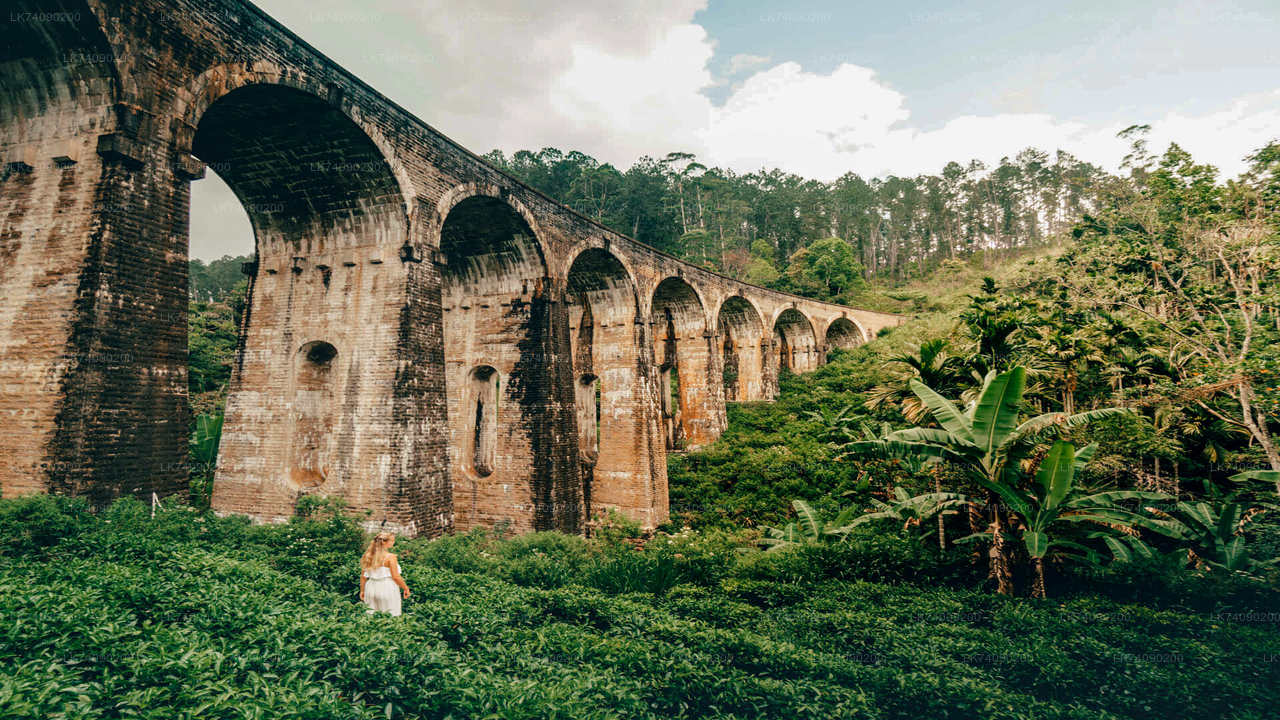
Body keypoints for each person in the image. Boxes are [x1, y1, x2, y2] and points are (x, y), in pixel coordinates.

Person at [359, 531, 410, 616]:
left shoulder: (368, 555)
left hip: (370, 588)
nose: (394, 542)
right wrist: (405, 588)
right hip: (387, 588)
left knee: (371, 616)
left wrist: (362, 591)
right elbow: (396, 577)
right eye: (392, 540)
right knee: (391, 615)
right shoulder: (390, 557)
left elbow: (363, 577)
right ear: (384, 542)